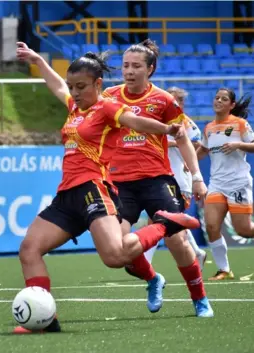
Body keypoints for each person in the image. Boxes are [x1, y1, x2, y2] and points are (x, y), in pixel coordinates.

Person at [14, 42, 200, 333]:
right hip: (66, 195)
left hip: (93, 188)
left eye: (81, 86)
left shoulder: (107, 107)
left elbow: (135, 120)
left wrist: (166, 130)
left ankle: (164, 225)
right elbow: (56, 86)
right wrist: (37, 59)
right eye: (72, 86)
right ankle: (45, 320)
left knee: (115, 257)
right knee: (29, 249)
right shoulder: (75, 106)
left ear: (97, 84)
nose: (74, 92)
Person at [102, 39, 213, 317]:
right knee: (118, 248)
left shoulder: (165, 100)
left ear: (150, 69)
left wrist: (197, 177)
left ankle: (199, 299)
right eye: (125, 65)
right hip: (119, 183)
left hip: (156, 180)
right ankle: (153, 279)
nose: (129, 71)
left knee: (177, 240)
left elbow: (183, 139)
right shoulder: (109, 96)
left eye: (136, 66)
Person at [143, 87, 207, 269]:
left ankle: (145, 262)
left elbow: (196, 142)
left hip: (179, 178)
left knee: (159, 219)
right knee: (165, 220)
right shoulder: (155, 121)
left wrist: (174, 145)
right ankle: (197, 252)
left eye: (176, 100)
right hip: (160, 177)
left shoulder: (184, 122)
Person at [196, 88, 254, 280]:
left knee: (243, 230)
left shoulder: (240, 124)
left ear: (232, 105)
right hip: (217, 184)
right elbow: (203, 150)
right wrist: (190, 167)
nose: (219, 101)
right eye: (216, 98)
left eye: (224, 99)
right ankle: (224, 269)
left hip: (238, 182)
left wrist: (238, 145)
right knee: (212, 226)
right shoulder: (209, 128)